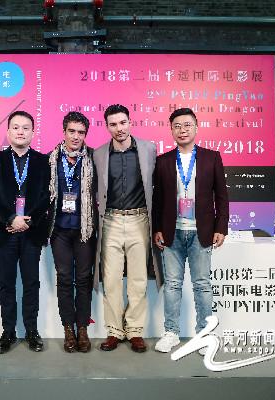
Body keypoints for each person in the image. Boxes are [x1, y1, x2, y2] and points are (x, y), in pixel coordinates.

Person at [152, 108, 229, 353]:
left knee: (202, 285)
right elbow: (158, 199)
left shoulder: (211, 157)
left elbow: (222, 196)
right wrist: (157, 228)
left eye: (187, 125)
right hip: (172, 232)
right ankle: (171, 333)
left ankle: (204, 334)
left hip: (201, 232)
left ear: (196, 128)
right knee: (172, 285)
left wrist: (221, 227)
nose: (182, 130)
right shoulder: (163, 161)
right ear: (171, 130)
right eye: (177, 126)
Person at [93, 104, 160, 353]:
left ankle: (134, 330)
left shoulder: (148, 149)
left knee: (138, 280)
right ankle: (114, 331)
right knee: (110, 280)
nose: (119, 128)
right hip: (110, 221)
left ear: (130, 122)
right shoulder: (99, 154)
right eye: (113, 124)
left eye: (123, 122)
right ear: (107, 126)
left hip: (139, 219)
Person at [0, 111, 51, 354]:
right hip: (5, 232)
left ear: (33, 132)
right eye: (16, 127)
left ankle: (31, 331)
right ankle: (8, 332)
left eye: (25, 127)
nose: (20, 131)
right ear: (8, 132)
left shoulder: (43, 161)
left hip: (31, 233)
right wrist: (11, 218)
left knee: (31, 283)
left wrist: (27, 222)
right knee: (6, 284)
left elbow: (47, 195)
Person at [48, 111, 97, 353]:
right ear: (64, 132)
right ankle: (68, 328)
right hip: (59, 230)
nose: (76, 136)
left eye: (81, 132)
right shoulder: (50, 159)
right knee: (65, 279)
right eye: (72, 131)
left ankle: (83, 328)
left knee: (84, 279)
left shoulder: (94, 158)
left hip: (84, 230)